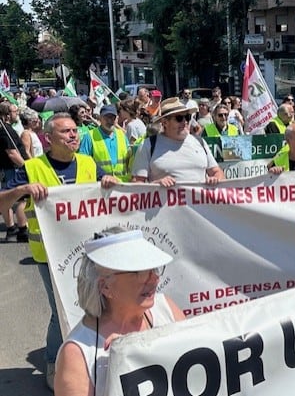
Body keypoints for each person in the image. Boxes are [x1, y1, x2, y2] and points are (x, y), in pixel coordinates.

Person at [0, 113, 119, 390]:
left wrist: (110, 182)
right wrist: (22, 190)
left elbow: (105, 187)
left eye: (75, 131)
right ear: (49, 139)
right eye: (66, 132)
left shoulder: (88, 163)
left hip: (89, 250)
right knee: (61, 308)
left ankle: (87, 356)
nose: (73, 136)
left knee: (93, 304)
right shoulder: (32, 168)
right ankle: (54, 361)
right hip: (49, 254)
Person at [55, 227, 185, 396]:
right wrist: (116, 366)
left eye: (153, 269)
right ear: (105, 286)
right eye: (139, 272)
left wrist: (137, 348)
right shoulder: (77, 354)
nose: (154, 278)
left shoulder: (166, 309)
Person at [132, 97, 224, 186]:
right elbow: (137, 184)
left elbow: (217, 171)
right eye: (179, 118)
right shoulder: (148, 145)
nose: (185, 122)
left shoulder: (200, 142)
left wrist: (216, 179)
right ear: (165, 122)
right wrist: (155, 186)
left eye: (187, 117)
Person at [0, 101, 28, 242]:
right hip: (11, 168)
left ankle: (13, 229)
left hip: (10, 168)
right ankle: (19, 229)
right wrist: (27, 167)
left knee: (10, 199)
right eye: (14, 111)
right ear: (6, 115)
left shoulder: (6, 128)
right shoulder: (4, 130)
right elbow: (12, 153)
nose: (17, 113)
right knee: (18, 199)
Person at [79, 105, 130, 180]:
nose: (110, 120)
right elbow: (83, 162)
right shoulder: (90, 136)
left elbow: (129, 159)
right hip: (100, 185)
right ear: (100, 118)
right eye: (106, 117)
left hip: (121, 186)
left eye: (113, 117)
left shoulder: (122, 135)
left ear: (117, 119)